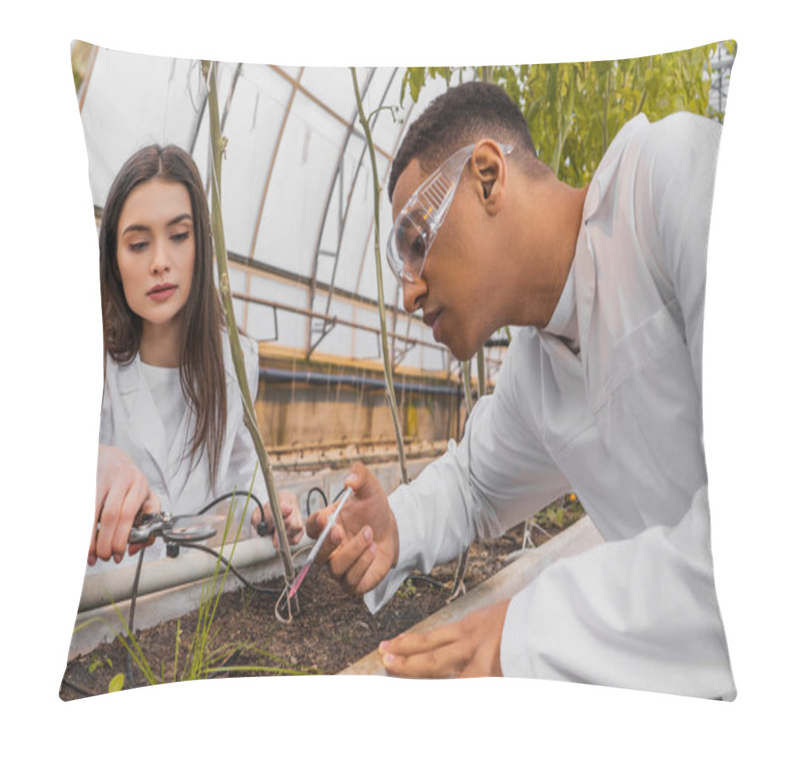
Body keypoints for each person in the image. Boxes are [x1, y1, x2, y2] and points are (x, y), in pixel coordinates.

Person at [306, 81, 736, 698]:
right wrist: (394, 525)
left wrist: (529, 630)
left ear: (487, 177)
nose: (408, 292)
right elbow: (475, 485)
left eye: (417, 241)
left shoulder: (675, 178)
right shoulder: (536, 368)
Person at [89, 144, 304, 569]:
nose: (160, 263)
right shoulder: (93, 365)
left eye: (179, 236)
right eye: (137, 244)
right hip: (105, 611)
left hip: (195, 604)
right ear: (114, 259)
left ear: (201, 246)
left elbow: (242, 465)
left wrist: (267, 504)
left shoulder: (234, 363)